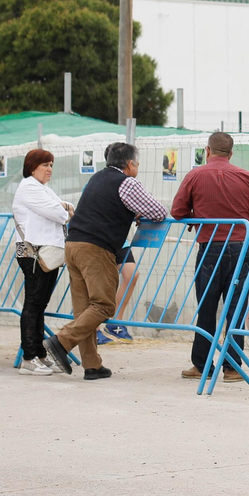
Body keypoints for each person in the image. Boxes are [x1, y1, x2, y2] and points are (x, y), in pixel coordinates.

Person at [46, 141, 169, 380]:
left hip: (73, 245)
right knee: (104, 305)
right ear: (130, 164)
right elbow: (158, 211)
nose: (138, 168)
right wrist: (139, 213)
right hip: (96, 248)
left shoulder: (97, 178)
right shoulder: (127, 182)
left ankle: (92, 365)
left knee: (84, 310)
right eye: (138, 163)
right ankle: (60, 341)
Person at [170, 131, 249, 383]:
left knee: (207, 306)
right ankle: (233, 367)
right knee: (236, 308)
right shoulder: (247, 177)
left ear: (207, 150)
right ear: (231, 153)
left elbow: (177, 211)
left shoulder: (195, 175)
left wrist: (197, 216)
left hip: (210, 248)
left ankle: (202, 365)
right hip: (240, 247)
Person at [11, 148, 73, 376]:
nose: (49, 169)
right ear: (32, 166)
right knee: (33, 304)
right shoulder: (28, 186)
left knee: (40, 305)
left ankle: (40, 354)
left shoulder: (43, 188)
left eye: (51, 165)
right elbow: (59, 213)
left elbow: (62, 206)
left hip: (48, 253)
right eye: (45, 165)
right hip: (33, 253)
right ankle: (28, 358)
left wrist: (63, 207)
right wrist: (64, 208)